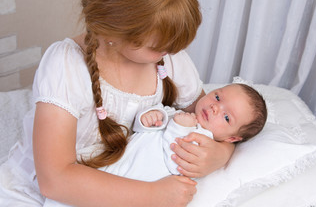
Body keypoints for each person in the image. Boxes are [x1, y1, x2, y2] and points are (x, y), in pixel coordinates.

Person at [0, 0, 236, 207]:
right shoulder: (66, 67)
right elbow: (54, 180)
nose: (171, 51)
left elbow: (209, 115)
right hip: (54, 190)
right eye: (159, 46)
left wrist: (221, 154)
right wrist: (153, 195)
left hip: (125, 176)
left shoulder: (167, 58)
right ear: (113, 31)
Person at [43, 83, 267, 207]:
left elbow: (177, 161)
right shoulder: (181, 114)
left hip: (139, 180)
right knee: (89, 187)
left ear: (232, 139)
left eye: (227, 118)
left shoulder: (203, 142)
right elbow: (143, 128)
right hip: (122, 162)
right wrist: (150, 117)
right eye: (218, 97)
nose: (216, 108)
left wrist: (180, 127)